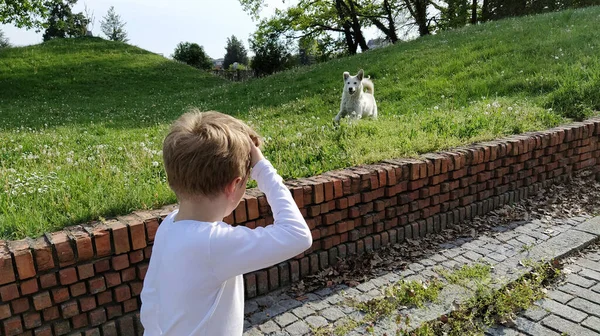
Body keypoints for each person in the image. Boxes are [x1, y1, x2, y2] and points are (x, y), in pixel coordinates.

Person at [140, 109, 313, 335]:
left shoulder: (169, 225)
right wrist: (263, 169)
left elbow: (151, 298)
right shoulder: (213, 243)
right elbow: (298, 235)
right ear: (234, 185)